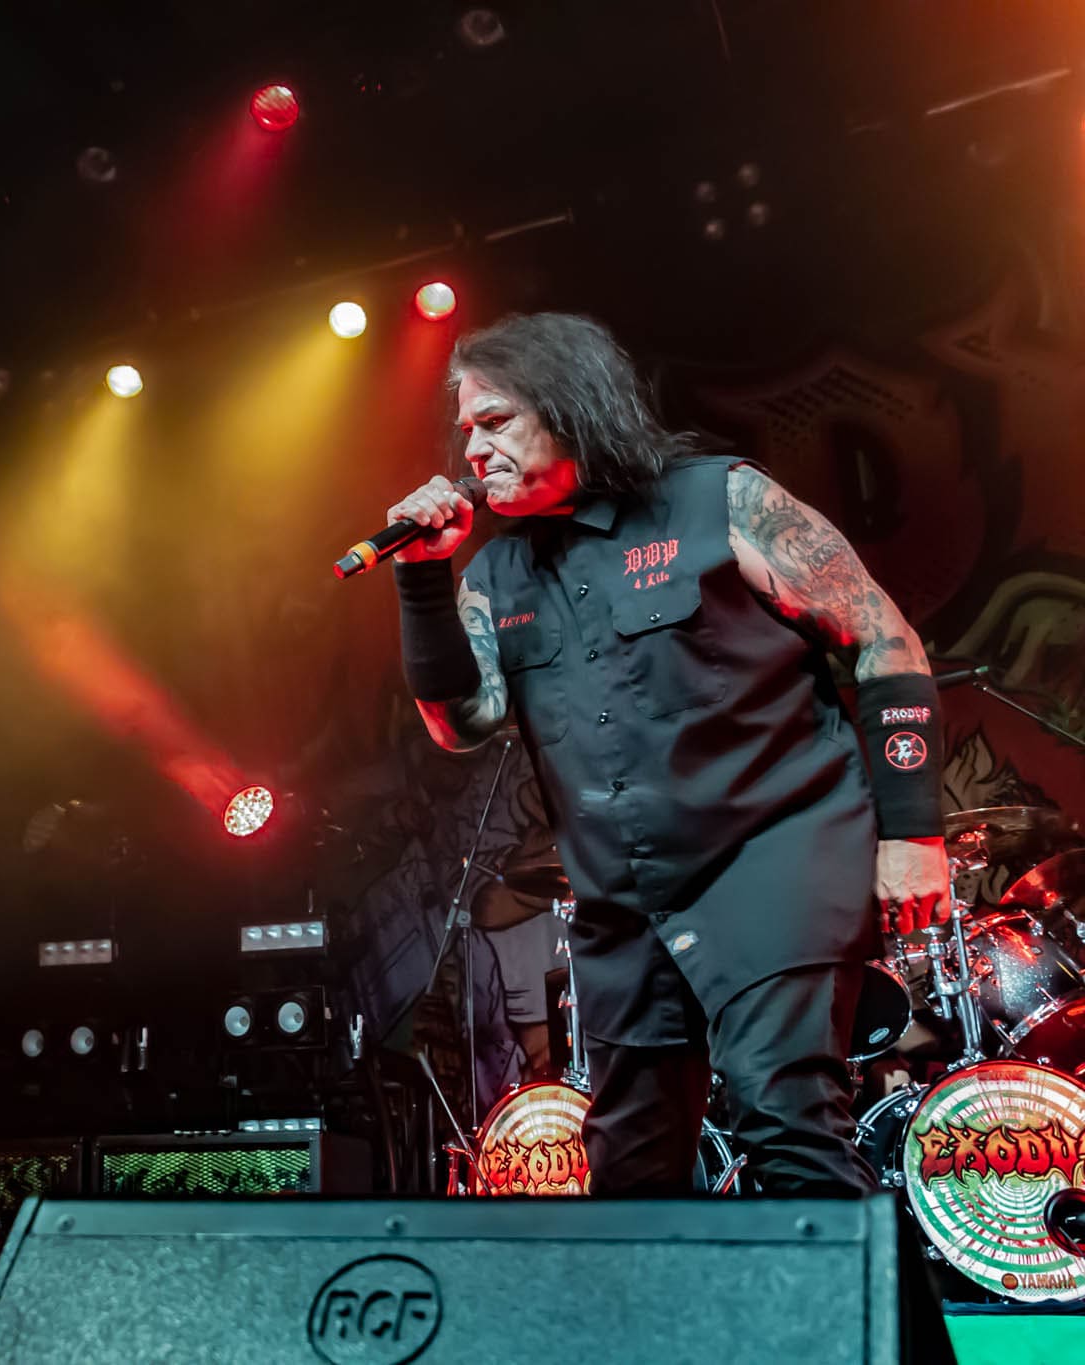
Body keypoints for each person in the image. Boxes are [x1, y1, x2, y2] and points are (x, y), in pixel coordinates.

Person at [386, 312, 949, 1196]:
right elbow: (461, 722)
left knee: (786, 1121)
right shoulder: (497, 575)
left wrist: (912, 834)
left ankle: (865, 1294)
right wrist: (423, 576)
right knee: (631, 1173)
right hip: (624, 907)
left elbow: (886, 643)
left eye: (495, 421)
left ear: (569, 406)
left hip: (773, 859)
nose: (474, 449)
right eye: (466, 431)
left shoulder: (719, 501)